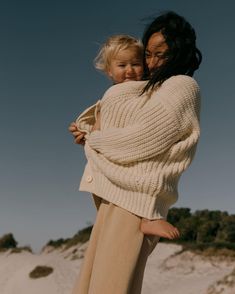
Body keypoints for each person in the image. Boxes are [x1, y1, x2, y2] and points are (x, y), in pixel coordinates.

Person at [69, 11, 202, 294]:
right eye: (149, 55)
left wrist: (95, 137)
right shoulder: (151, 89)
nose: (151, 64)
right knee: (95, 283)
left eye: (161, 55)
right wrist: (92, 133)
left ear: (181, 52)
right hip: (117, 193)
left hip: (135, 200)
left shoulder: (183, 86)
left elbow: (142, 140)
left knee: (111, 285)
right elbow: (126, 128)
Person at [72, 33, 180, 240]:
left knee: (147, 174)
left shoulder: (147, 90)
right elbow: (100, 132)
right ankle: (148, 218)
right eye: (122, 66)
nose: (130, 70)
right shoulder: (111, 97)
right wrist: (87, 137)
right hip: (108, 169)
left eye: (136, 64)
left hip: (133, 160)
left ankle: (150, 217)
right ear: (109, 71)